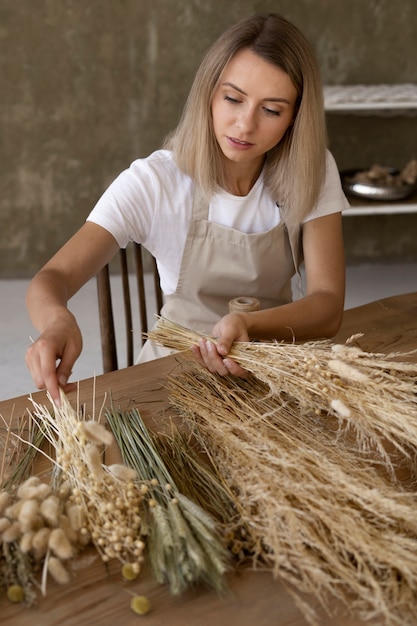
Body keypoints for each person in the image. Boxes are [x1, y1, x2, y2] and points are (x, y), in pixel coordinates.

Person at [25, 13, 347, 407]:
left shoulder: (311, 170)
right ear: (208, 93)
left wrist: (250, 325)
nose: (244, 125)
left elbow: (328, 303)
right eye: (232, 98)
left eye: (272, 110)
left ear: (296, 116)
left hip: (273, 372)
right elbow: (53, 276)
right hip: (172, 381)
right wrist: (57, 321)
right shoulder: (156, 182)